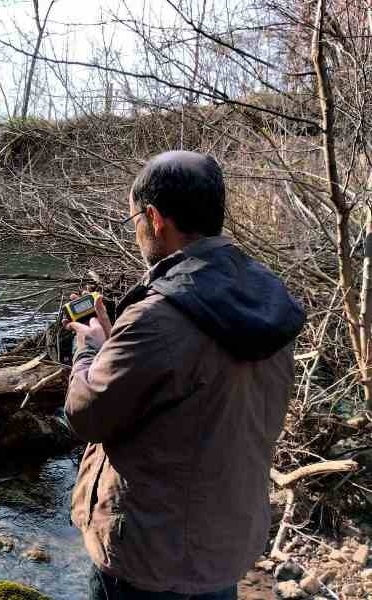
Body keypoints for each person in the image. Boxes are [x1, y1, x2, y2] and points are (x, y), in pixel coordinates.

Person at [64, 151, 305, 600]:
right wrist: (120, 346)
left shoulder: (158, 317)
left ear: (155, 219)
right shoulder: (265, 296)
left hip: (149, 558)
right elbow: (199, 388)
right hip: (224, 546)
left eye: (133, 217)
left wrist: (91, 349)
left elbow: (85, 415)